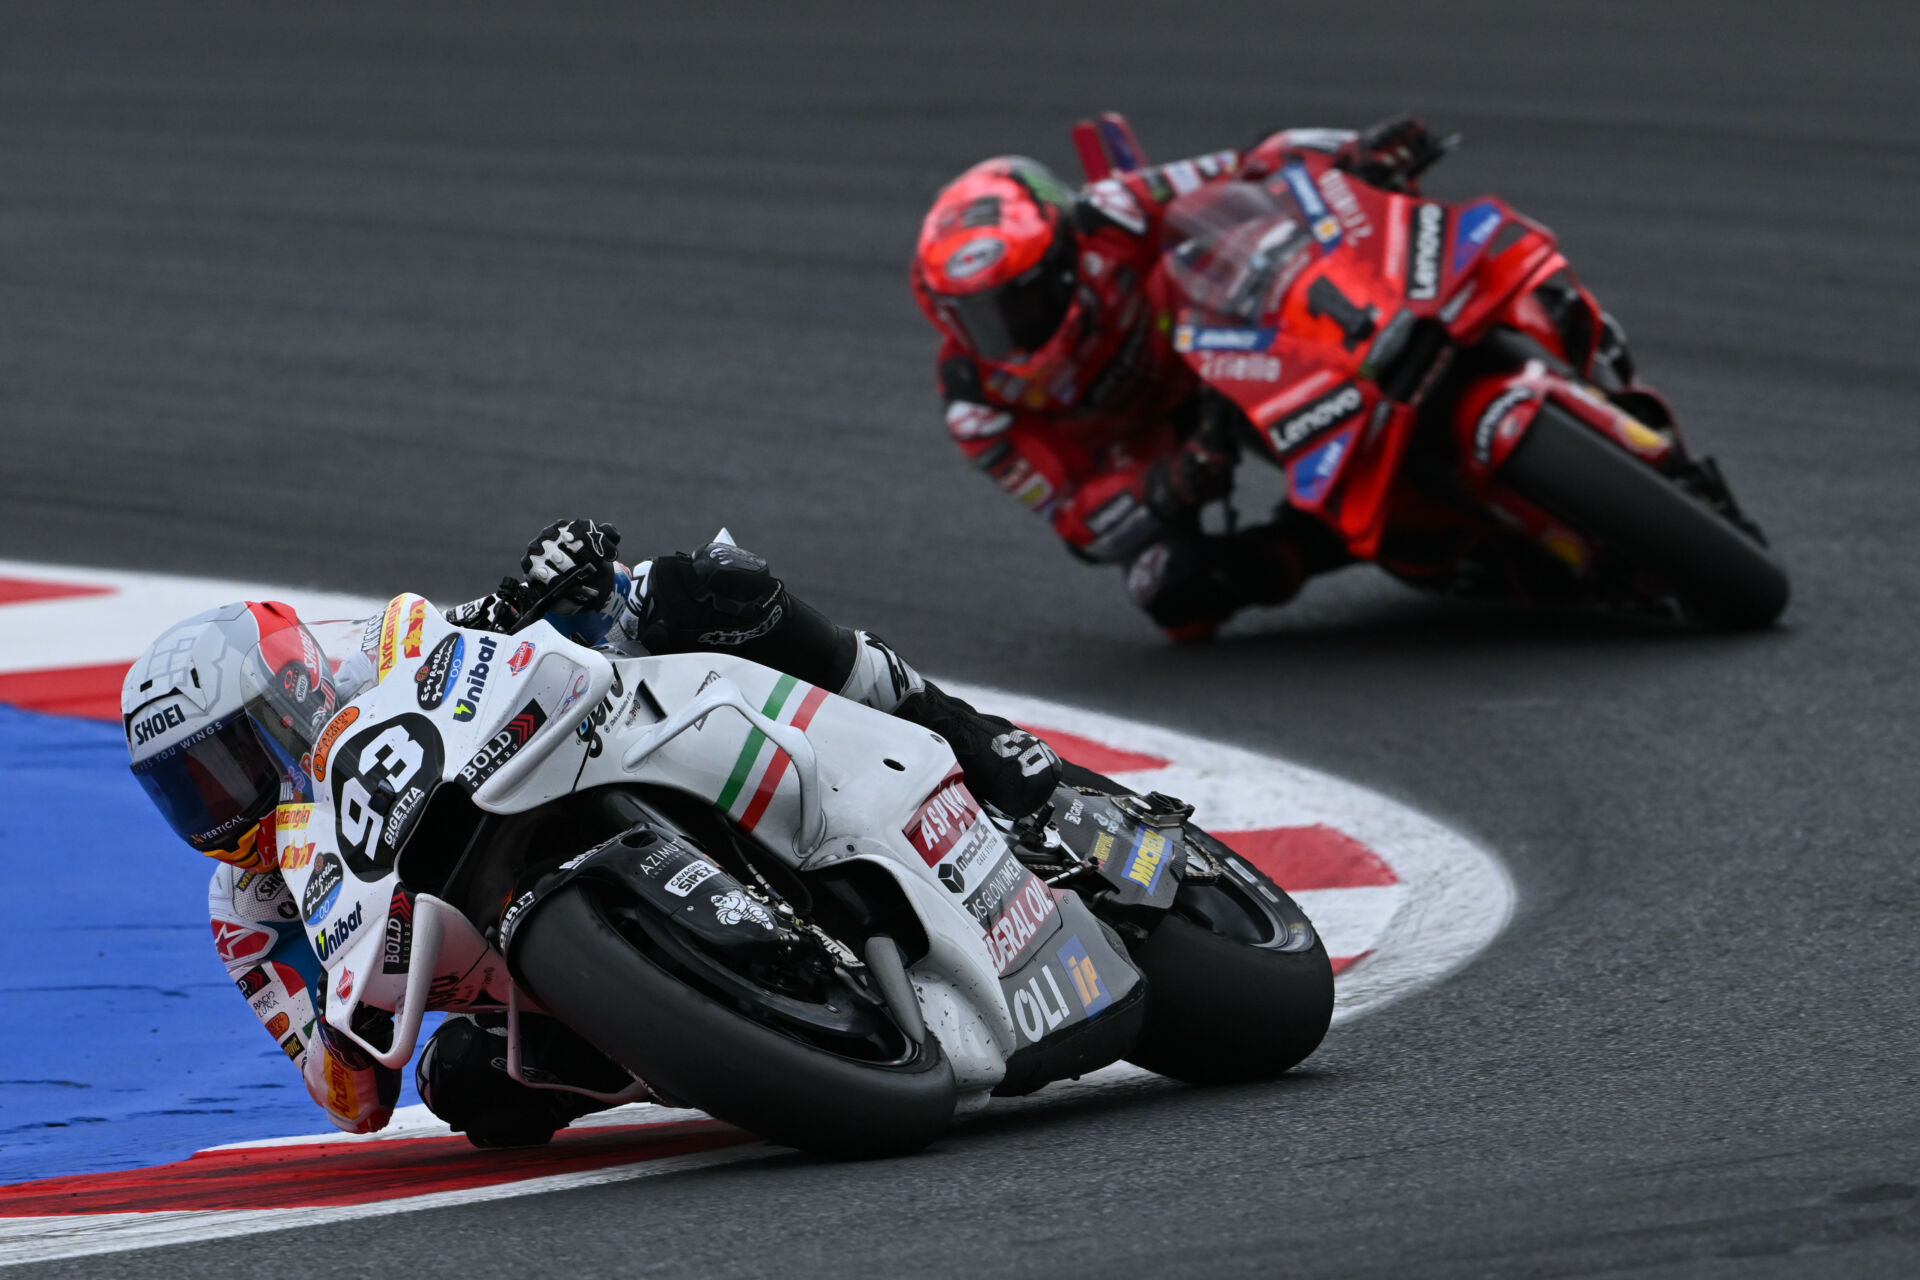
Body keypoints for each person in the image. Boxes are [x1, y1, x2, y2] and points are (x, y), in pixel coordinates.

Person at [122, 520, 1061, 1145]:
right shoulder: (247, 914)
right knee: (466, 1086)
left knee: (689, 589)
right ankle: (706, 1019)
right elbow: (351, 1100)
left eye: (230, 764)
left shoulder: (361, 659)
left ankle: (963, 732)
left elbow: (464, 640)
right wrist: (348, 1012)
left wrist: (532, 589)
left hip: (565, 754)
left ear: (287, 696)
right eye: (187, 793)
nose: (219, 804)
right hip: (528, 984)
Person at [911, 115, 1447, 640]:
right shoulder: (975, 404)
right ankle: (1320, 542)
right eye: (976, 317)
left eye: (1019, 301)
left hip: (1211, 330)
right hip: (1153, 444)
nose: (1005, 330)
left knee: (1277, 237)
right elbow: (1077, 520)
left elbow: (1250, 164)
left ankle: (1417, 320)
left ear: (1063, 258)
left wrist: (1353, 153)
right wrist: (1169, 484)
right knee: (1173, 593)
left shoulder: (1110, 212)